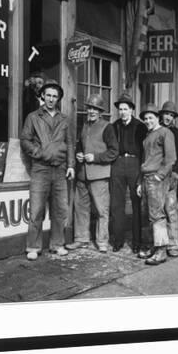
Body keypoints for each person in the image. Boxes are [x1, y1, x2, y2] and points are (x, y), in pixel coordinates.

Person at [20, 79, 75, 261]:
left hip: (59, 169)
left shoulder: (64, 119)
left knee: (59, 210)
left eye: (55, 96)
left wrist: (71, 166)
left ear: (58, 99)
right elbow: (25, 140)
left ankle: (57, 244)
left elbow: (69, 144)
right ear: (42, 96)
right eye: (48, 95)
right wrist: (39, 153)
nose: (51, 99)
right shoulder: (33, 117)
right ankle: (33, 247)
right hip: (40, 169)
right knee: (36, 210)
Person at [66, 94, 118, 253]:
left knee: (102, 210)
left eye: (95, 108)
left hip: (99, 176)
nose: (92, 111)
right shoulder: (84, 125)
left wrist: (95, 158)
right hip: (82, 175)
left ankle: (102, 241)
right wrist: (79, 154)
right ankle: (81, 239)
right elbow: (80, 145)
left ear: (100, 111)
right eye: (90, 107)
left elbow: (114, 151)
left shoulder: (107, 127)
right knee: (80, 208)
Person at [136, 104, 176, 265]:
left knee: (157, 215)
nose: (147, 121)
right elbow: (145, 161)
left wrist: (160, 176)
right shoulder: (148, 136)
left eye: (150, 118)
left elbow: (171, 158)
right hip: (146, 179)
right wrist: (140, 182)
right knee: (147, 215)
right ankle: (151, 247)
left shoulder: (165, 133)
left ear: (157, 118)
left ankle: (161, 251)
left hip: (156, 178)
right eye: (145, 118)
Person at [110, 93, 147, 253]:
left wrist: (141, 171)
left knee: (136, 203)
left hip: (134, 163)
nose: (123, 112)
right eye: (120, 109)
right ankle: (118, 240)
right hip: (118, 163)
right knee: (117, 203)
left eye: (126, 109)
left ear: (131, 110)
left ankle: (137, 242)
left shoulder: (140, 126)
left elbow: (145, 150)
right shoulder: (114, 125)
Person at [158, 101, 178, 258]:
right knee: (157, 211)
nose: (168, 117)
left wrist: (176, 173)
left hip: (170, 175)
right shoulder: (156, 129)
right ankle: (160, 242)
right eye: (166, 114)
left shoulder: (176, 133)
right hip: (157, 175)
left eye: (171, 115)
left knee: (171, 210)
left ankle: (173, 243)